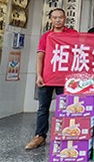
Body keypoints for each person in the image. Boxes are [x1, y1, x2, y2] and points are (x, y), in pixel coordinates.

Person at [25, 8, 77, 150]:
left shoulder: (73, 34)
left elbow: (79, 54)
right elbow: (40, 57)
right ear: (51, 19)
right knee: (43, 108)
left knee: (66, 108)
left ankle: (65, 134)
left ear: (65, 18)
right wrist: (39, 75)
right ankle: (39, 136)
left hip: (65, 79)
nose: (58, 20)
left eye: (60, 17)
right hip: (47, 78)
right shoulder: (46, 36)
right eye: (55, 17)